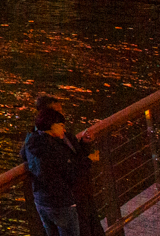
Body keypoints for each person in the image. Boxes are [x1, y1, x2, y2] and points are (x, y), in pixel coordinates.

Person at [33, 95, 104, 234]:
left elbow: (73, 157)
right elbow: (67, 168)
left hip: (81, 196)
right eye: (57, 111)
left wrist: (84, 144)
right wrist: (88, 160)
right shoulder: (43, 143)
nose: (62, 115)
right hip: (70, 201)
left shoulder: (61, 134)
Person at [24, 106, 88, 236]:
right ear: (52, 126)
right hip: (61, 201)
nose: (64, 129)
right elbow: (69, 172)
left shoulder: (31, 140)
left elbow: (24, 156)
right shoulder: (54, 148)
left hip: (42, 200)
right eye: (61, 125)